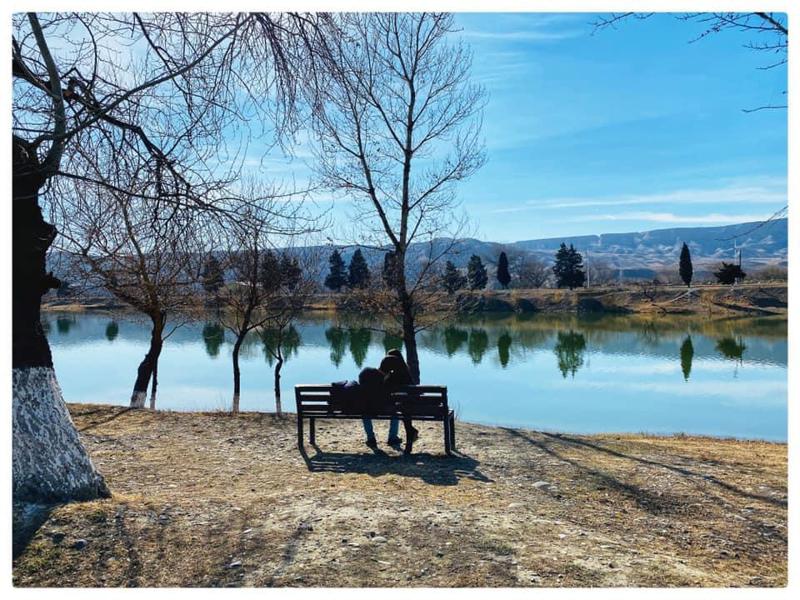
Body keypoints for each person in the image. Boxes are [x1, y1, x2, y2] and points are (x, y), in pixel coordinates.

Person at [361, 349, 419, 453]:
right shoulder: (395, 379)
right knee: (396, 412)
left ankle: (371, 439)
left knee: (365, 412)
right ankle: (392, 438)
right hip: (385, 409)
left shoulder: (365, 372)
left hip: (367, 408)